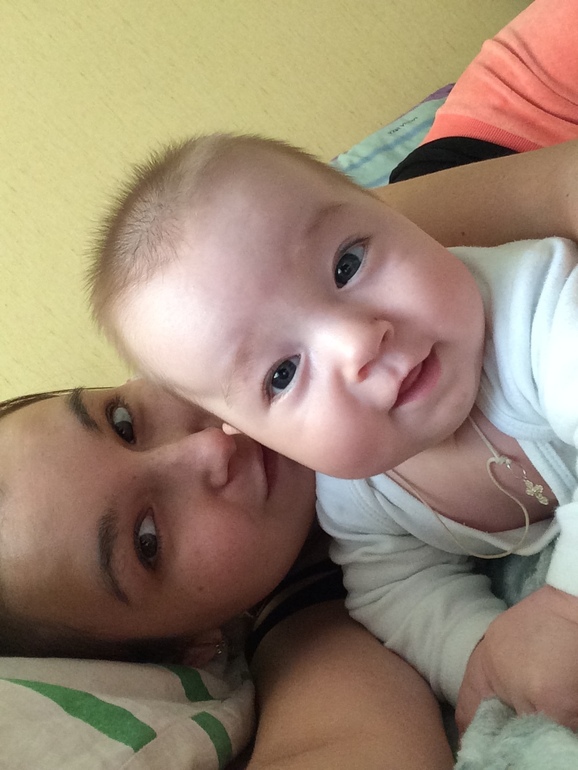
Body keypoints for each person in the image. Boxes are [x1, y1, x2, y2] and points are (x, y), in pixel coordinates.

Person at [86, 0, 578, 734]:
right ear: (250, 432)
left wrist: (565, 605)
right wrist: (482, 654)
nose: (357, 343)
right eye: (282, 375)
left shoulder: (538, 304)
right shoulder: (357, 495)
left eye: (348, 263)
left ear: (401, 214)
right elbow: (397, 593)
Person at [0, 380, 454, 770]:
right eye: (147, 540)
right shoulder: (312, 637)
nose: (211, 447)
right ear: (190, 648)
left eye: (123, 423)